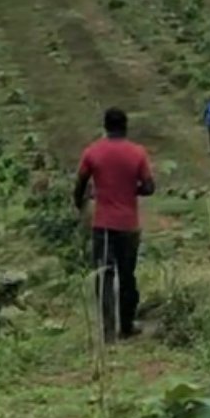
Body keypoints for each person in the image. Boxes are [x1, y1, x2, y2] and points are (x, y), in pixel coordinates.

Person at [73, 108, 155, 343]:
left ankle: (108, 333)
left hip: (103, 226)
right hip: (129, 225)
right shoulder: (137, 153)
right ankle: (127, 326)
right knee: (127, 276)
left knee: (104, 276)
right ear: (125, 127)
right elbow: (149, 187)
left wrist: (80, 204)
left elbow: (79, 185)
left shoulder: (92, 152)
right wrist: (132, 190)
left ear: (106, 127)